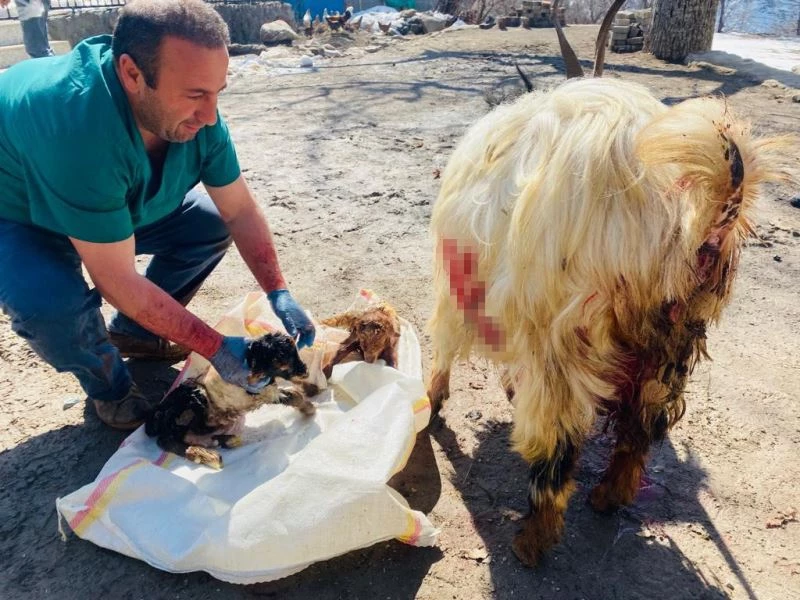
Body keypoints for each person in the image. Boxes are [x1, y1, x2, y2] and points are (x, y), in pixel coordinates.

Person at [0, 0, 315, 430]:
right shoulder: (80, 129)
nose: (210, 116)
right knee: (49, 304)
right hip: (19, 210)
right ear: (132, 74)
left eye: (217, 93)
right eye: (195, 95)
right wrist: (215, 347)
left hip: (99, 191)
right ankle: (109, 386)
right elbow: (117, 280)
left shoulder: (200, 121)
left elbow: (239, 209)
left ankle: (137, 333)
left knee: (209, 221)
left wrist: (278, 290)